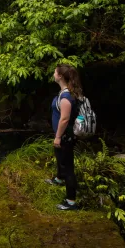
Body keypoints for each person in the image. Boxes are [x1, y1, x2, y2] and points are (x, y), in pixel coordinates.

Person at [44, 63, 82, 211]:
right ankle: (59, 179)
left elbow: (65, 119)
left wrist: (58, 137)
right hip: (64, 135)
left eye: (55, 72)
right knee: (60, 157)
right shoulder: (68, 92)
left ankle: (71, 202)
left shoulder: (66, 96)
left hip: (65, 136)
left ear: (60, 76)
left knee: (68, 168)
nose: (53, 74)